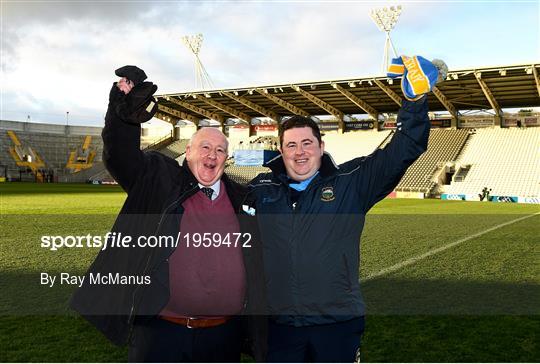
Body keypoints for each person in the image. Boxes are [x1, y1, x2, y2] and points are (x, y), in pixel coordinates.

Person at [70, 66, 266, 362]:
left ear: (227, 159)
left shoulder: (243, 198)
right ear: (187, 152)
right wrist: (122, 117)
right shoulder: (160, 180)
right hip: (161, 334)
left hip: (224, 337)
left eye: (220, 150)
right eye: (204, 147)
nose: (211, 155)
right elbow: (120, 156)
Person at [249, 94, 430, 362]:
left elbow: (403, 149)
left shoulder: (350, 182)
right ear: (281, 150)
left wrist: (413, 102)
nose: (300, 152)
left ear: (321, 146)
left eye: (307, 143)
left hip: (337, 324)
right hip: (280, 329)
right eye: (292, 145)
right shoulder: (260, 190)